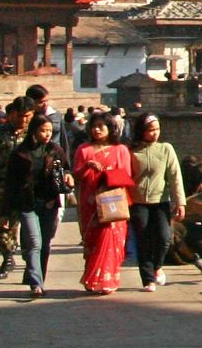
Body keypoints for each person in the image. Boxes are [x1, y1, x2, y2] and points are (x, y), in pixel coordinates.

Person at [4, 114, 67, 299]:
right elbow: (11, 182)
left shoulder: (55, 150)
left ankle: (39, 277)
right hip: (27, 203)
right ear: (33, 130)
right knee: (34, 243)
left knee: (45, 244)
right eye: (43, 130)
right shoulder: (20, 153)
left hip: (49, 202)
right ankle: (35, 283)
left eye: (49, 131)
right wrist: (7, 210)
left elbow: (66, 168)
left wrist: (68, 176)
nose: (47, 134)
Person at [71, 114, 132, 293]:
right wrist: (87, 166)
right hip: (90, 202)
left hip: (113, 201)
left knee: (111, 239)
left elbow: (126, 175)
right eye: (94, 126)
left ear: (110, 129)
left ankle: (108, 280)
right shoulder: (84, 150)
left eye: (101, 126)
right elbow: (76, 176)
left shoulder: (120, 150)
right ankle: (92, 279)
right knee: (93, 239)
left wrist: (107, 174)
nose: (96, 130)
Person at [128, 113, 184, 292]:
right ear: (141, 131)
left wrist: (180, 202)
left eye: (157, 129)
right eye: (150, 130)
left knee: (164, 236)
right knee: (143, 239)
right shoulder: (131, 151)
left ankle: (157, 266)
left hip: (160, 200)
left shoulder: (166, 149)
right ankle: (148, 280)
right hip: (137, 202)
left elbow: (175, 177)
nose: (154, 133)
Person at [0, 95, 36, 278]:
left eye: (27, 116)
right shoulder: (1, 132)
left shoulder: (36, 132)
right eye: (20, 115)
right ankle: (7, 257)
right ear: (12, 113)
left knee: (30, 228)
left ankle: (32, 264)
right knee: (4, 224)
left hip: (29, 188)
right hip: (4, 186)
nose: (23, 120)